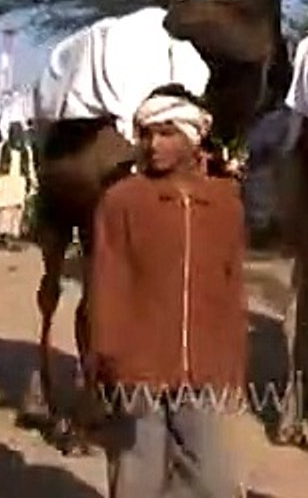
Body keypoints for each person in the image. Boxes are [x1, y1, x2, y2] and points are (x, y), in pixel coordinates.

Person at [88, 84, 248, 498]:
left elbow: (232, 285)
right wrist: (108, 356)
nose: (154, 144)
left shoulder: (225, 203)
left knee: (213, 479)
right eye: (147, 134)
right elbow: (108, 279)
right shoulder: (122, 200)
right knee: (137, 475)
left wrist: (232, 361)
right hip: (138, 364)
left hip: (203, 365)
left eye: (166, 133)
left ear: (192, 137)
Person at [0, 122, 36, 249]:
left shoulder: (26, 150)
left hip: (19, 182)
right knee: (4, 211)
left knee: (16, 212)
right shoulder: (2, 148)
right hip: (5, 182)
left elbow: (30, 168)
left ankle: (9, 237)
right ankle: (4, 237)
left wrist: (32, 183)